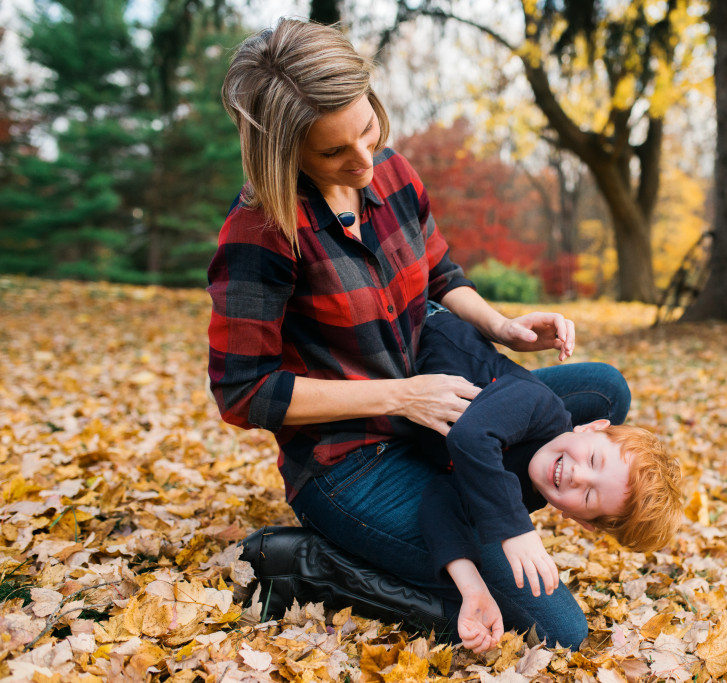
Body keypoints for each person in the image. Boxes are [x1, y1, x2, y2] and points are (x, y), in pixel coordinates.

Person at [208, 19, 631, 650]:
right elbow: (244, 394)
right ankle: (313, 565)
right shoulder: (262, 232)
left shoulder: (392, 173)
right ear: (281, 151)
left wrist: (500, 327)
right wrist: (401, 396)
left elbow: (437, 271)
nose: (362, 163)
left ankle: (473, 497)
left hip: (436, 418)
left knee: (603, 391)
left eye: (368, 130)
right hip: (354, 461)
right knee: (556, 629)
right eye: (332, 153)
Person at [413, 307, 684, 652]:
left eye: (588, 497)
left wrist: (473, 588)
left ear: (581, 521)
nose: (577, 474)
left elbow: (441, 499)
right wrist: (514, 530)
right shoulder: (539, 405)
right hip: (423, 332)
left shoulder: (525, 496)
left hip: (405, 424)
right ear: (592, 425)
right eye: (594, 458)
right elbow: (471, 437)